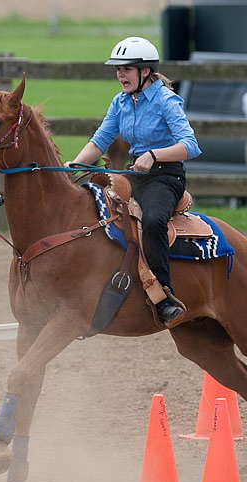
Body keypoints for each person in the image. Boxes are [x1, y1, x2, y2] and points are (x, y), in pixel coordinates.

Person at [68, 36, 201, 325]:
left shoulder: (166, 100)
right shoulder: (120, 102)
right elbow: (100, 140)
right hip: (134, 175)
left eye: (126, 68)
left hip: (165, 177)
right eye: (117, 69)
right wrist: (73, 166)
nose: (120, 74)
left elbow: (190, 145)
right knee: (94, 212)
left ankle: (164, 297)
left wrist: (154, 155)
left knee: (153, 221)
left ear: (145, 71)